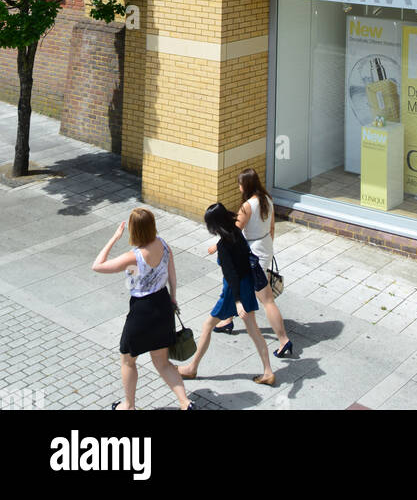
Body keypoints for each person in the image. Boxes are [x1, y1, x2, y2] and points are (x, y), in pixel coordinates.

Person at [91, 208, 193, 411]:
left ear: (134, 230)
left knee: (128, 359)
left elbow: (97, 265)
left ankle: (128, 405)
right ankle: (186, 403)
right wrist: (173, 298)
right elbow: (171, 273)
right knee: (162, 362)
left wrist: (113, 238)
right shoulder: (163, 244)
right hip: (163, 304)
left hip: (142, 311)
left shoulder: (133, 256)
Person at [178, 203, 275, 386]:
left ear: (214, 225)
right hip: (246, 285)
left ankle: (192, 368)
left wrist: (237, 302)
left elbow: (231, 275)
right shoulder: (236, 232)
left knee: (207, 325)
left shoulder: (224, 246)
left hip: (233, 291)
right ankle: (268, 371)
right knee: (253, 331)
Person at [213, 167, 292, 359]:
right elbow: (272, 227)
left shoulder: (247, 206)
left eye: (240, 184)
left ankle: (283, 340)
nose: (239, 187)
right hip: (264, 248)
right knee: (234, 285)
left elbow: (234, 232)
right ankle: (227, 319)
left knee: (266, 299)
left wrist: (216, 247)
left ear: (245, 185)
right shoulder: (268, 200)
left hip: (252, 256)